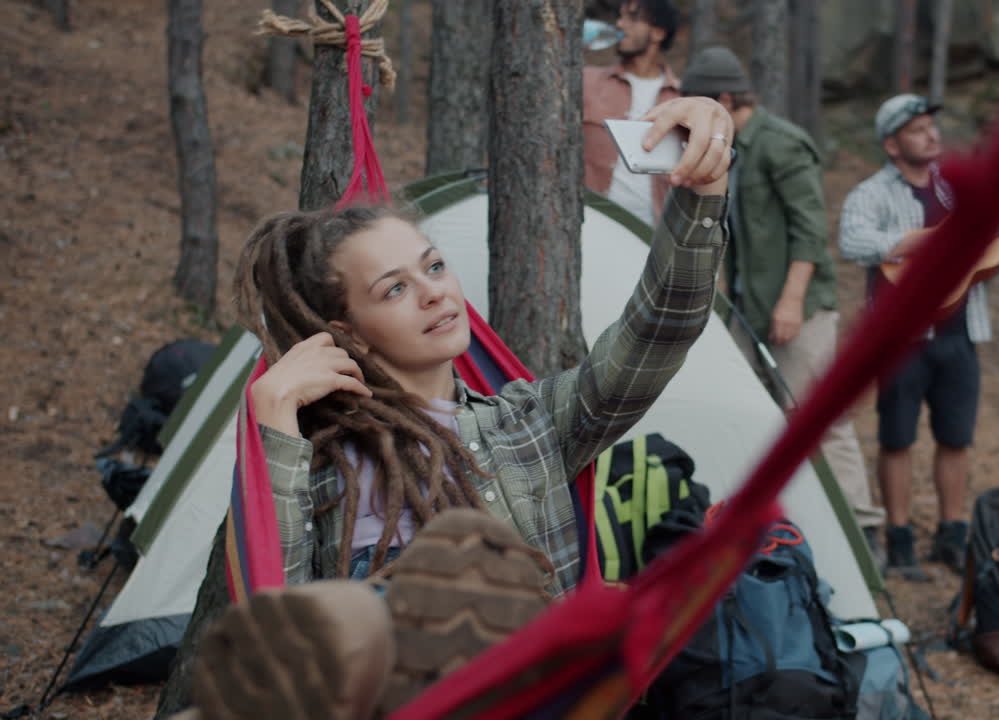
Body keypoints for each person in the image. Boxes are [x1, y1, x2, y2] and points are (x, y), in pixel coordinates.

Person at [178, 97, 733, 720]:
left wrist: (703, 196)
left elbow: (658, 332)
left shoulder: (531, 424)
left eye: (434, 266)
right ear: (350, 334)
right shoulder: (321, 463)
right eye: (395, 289)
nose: (434, 292)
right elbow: (278, 637)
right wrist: (275, 422)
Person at [680, 47, 886, 558]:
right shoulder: (730, 148)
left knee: (819, 419)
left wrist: (792, 301)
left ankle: (863, 531)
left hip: (799, 310)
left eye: (700, 102)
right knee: (752, 416)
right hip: (748, 312)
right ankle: (780, 523)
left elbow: (810, 231)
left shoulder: (782, 144)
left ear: (725, 99)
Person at [839, 94, 999, 582]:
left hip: (961, 333)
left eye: (933, 127)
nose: (932, 135)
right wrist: (906, 243)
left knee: (956, 438)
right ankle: (899, 541)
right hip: (901, 339)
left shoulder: (959, 190)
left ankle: (952, 535)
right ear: (891, 144)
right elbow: (852, 240)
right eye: (918, 130)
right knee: (897, 438)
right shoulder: (871, 193)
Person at [583, 0, 682, 226]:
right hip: (590, 225)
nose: (620, 24)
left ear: (658, 32)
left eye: (632, 18)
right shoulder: (586, 82)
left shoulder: (681, 99)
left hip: (650, 235)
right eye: (620, 16)